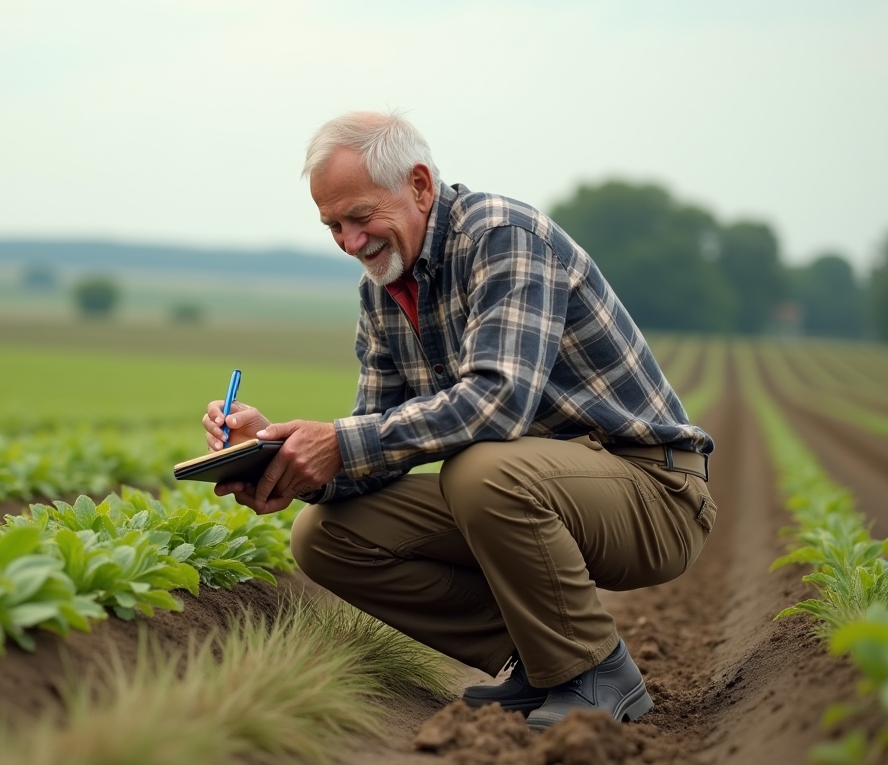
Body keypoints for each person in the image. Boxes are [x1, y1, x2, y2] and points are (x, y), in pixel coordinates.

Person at [201, 110, 716, 733]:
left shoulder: (503, 237)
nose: (349, 242)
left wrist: (339, 441)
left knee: (481, 469)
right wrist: (285, 456)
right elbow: (375, 440)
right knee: (325, 536)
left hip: (653, 494)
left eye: (360, 217)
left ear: (419, 186)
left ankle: (599, 674)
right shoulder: (382, 291)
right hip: (540, 488)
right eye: (332, 225)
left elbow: (498, 404)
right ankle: (545, 661)